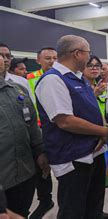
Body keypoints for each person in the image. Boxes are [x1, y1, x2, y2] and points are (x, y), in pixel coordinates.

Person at [35, 35, 108, 219]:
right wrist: (103, 131)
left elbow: (90, 107)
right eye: (88, 53)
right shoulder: (53, 80)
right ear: (77, 54)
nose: (89, 57)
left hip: (92, 153)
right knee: (73, 210)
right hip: (73, 158)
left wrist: (101, 131)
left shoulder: (78, 78)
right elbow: (65, 120)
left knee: (93, 206)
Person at [0, 53, 49, 218]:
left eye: (3, 56)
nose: (2, 59)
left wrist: (41, 151)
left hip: (24, 173)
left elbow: (32, 124)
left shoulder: (17, 90)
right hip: (3, 176)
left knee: (22, 211)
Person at [24, 47, 57, 219]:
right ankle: (45, 200)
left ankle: (47, 199)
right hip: (35, 129)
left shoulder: (61, 77)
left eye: (54, 58)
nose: (51, 61)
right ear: (38, 60)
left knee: (50, 165)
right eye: (47, 58)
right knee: (40, 165)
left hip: (54, 128)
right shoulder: (28, 79)